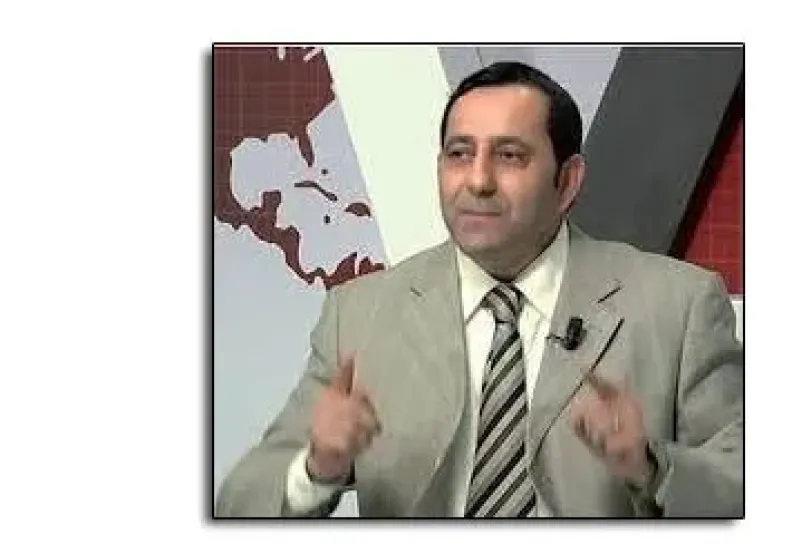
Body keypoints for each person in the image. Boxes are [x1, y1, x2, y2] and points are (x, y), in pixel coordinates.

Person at [215, 60, 744, 518]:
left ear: (567, 181)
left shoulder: (680, 305)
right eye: (459, 154)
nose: (478, 181)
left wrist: (653, 469)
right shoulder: (359, 314)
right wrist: (315, 470)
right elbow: (241, 502)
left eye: (510, 155)